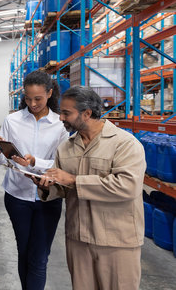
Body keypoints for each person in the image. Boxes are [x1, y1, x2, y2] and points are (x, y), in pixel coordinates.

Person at [33, 86, 146, 290]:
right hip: (78, 239)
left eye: (67, 113)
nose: (61, 118)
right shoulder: (66, 147)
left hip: (116, 241)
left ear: (87, 113)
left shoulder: (124, 144)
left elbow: (128, 187)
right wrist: (47, 185)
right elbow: (65, 188)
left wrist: (75, 180)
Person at [0, 70, 68, 290]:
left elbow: (62, 164)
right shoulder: (12, 121)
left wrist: (34, 163)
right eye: (28, 98)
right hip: (17, 196)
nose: (32, 103)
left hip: (48, 197)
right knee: (23, 251)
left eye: (38, 99)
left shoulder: (61, 125)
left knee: (39, 257)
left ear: (50, 93)